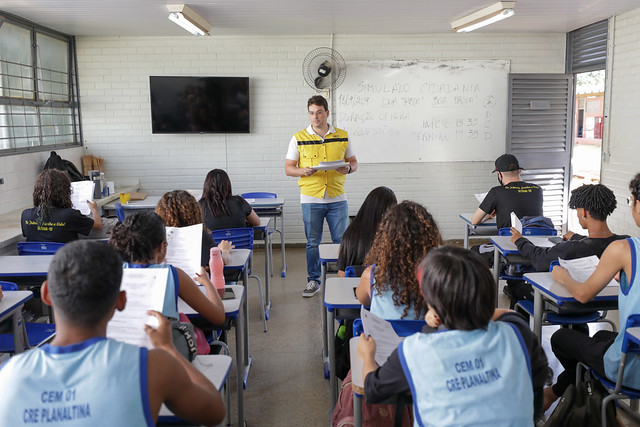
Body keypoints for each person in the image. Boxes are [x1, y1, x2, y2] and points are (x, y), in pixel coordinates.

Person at [0, 240, 225, 426]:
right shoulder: (153, 365)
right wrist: (168, 349)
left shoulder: (7, 376)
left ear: (46, 294)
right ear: (121, 301)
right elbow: (214, 411)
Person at [357, 246, 550, 424]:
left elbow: (373, 390)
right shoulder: (518, 334)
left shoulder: (414, 351)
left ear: (431, 302)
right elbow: (511, 318)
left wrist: (367, 356)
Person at [544, 173, 640, 410]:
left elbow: (583, 295)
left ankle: (567, 393)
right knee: (599, 337)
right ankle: (588, 389)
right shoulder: (622, 244)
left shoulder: (624, 250)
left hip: (631, 369)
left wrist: (563, 276)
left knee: (561, 338)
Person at [505, 183, 628, 306]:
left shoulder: (572, 248)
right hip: (611, 302)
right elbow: (599, 241)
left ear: (584, 212)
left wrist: (520, 240)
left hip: (570, 302)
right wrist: (576, 237)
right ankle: (580, 326)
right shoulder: (625, 243)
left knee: (518, 289)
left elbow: (539, 258)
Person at [285, 95, 358, 297]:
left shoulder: (342, 135)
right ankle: (313, 281)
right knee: (312, 242)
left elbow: (353, 161)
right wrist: (303, 171)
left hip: (337, 197)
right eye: (311, 113)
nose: (315, 117)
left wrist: (349, 169)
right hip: (311, 199)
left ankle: (345, 279)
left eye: (318, 112)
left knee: (342, 241)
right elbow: (289, 169)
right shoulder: (298, 138)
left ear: (327, 113)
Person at [109, 211, 225, 326]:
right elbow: (218, 317)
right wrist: (207, 282)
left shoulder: (113, 273)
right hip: (163, 343)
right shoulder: (172, 274)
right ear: (161, 247)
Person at [356, 201, 441, 320]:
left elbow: (362, 299)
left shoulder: (373, 275)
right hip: (427, 336)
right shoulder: (438, 276)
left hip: (382, 338)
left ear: (386, 240)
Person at [21, 169, 102, 243]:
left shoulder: (26, 215)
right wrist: (94, 209)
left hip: (35, 258)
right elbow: (98, 225)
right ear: (65, 192)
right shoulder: (70, 215)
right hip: (65, 258)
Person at [156, 189, 233, 267]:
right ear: (194, 212)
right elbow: (220, 262)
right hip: (194, 278)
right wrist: (224, 250)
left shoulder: (157, 238)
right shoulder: (201, 236)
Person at [471, 153, 543, 230]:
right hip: (536, 239)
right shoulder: (537, 189)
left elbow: (474, 221)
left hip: (510, 239)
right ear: (520, 171)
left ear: (499, 174)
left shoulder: (496, 192)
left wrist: (488, 216)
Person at [336, 186, 397, 277]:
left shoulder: (350, 234)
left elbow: (342, 272)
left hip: (352, 287)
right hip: (383, 288)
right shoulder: (394, 236)